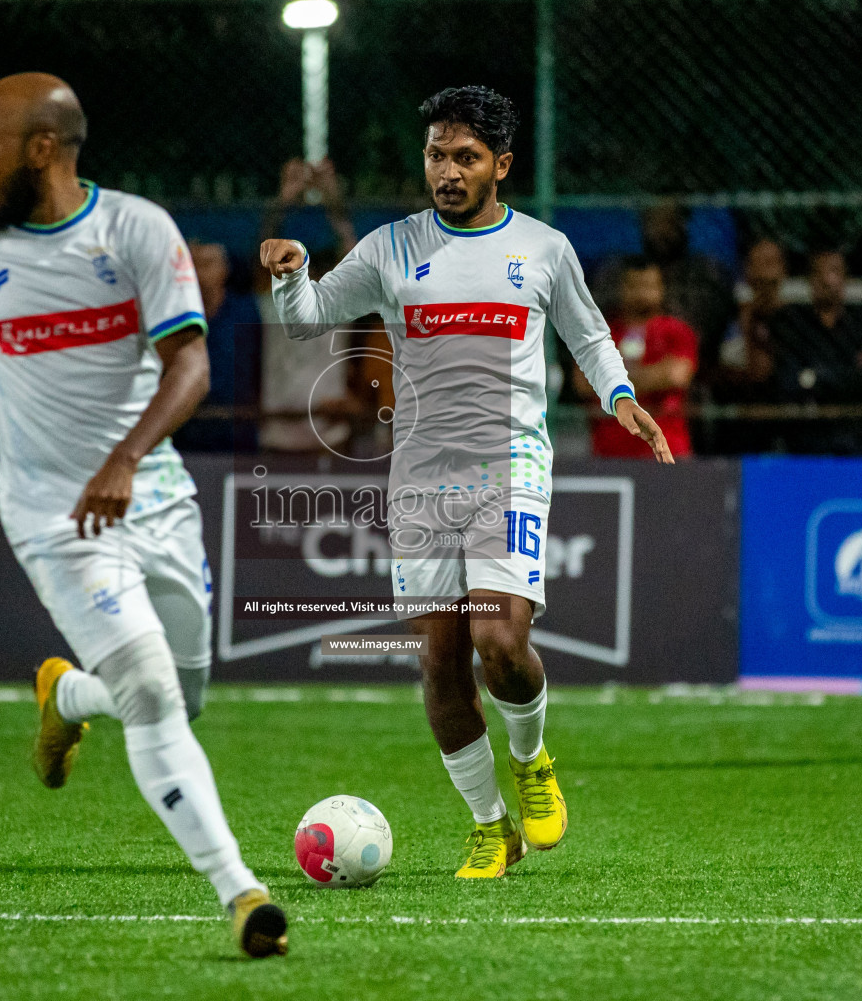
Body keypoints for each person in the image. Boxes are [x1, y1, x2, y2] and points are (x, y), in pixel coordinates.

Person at [0, 72, 287, 959]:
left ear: (43, 150)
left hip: (154, 500)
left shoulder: (134, 230)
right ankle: (242, 893)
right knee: (151, 691)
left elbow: (189, 366)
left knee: (184, 696)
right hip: (52, 515)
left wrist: (125, 458)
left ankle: (65, 693)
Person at [262, 85, 671, 878]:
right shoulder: (390, 248)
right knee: (441, 662)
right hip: (418, 478)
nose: (447, 171)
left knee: (499, 640)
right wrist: (290, 270)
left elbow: (588, 335)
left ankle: (533, 760)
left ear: (502, 165)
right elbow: (307, 318)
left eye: (466, 157)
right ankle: (491, 827)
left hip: (509, 466)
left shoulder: (544, 249)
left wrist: (621, 397)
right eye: (436, 155)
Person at [254, 158, 363, 454]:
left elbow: (353, 255)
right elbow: (264, 259)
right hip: (277, 434)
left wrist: (332, 196)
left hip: (329, 434)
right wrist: (283, 199)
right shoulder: (276, 304)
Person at [571, 255, 697, 459]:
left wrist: (608, 379)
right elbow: (582, 382)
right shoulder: (602, 332)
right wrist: (655, 375)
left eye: (648, 286)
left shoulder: (677, 331)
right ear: (622, 288)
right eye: (634, 286)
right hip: (610, 451)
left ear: (661, 289)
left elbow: (676, 376)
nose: (641, 293)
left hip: (667, 449)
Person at [770, 248, 862, 454]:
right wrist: (850, 372)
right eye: (818, 273)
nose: (826, 280)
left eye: (833, 271)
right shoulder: (792, 323)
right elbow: (788, 382)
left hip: (853, 439)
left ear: (845, 279)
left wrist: (814, 377)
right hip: (805, 440)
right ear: (810, 281)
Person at [171, 239, 260, 453]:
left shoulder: (246, 313)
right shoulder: (173, 313)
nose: (199, 272)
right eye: (194, 263)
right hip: (184, 436)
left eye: (207, 263)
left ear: (225, 270)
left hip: (236, 437)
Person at [708, 237, 784, 453]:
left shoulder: (793, 321)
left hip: (780, 426)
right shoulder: (728, 317)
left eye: (771, 263)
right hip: (732, 424)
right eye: (758, 264)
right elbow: (710, 368)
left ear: (783, 271)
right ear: (747, 271)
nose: (765, 274)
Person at [642, 201, 734, 369]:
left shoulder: (706, 272)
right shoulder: (626, 271)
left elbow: (680, 369)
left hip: (691, 371)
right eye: (654, 221)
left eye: (668, 221)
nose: (661, 230)